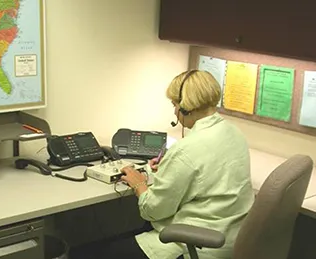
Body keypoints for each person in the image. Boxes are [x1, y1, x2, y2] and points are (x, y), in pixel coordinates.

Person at [82, 70, 255, 259]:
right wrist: (170, 168)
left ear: (185, 107)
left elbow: (152, 211)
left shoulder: (186, 149)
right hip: (232, 241)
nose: (174, 111)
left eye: (175, 104)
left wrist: (139, 183)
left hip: (194, 247)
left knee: (91, 253)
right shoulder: (234, 133)